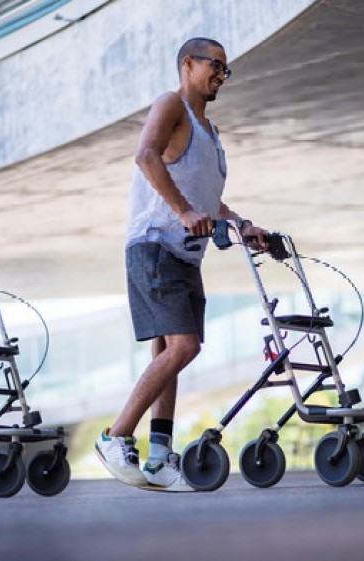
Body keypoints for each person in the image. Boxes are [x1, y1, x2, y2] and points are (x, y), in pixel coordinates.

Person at [95, 38, 267, 491]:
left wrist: (242, 223)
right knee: (183, 347)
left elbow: (208, 198)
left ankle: (157, 457)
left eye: (226, 71)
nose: (220, 76)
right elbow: (146, 155)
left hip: (186, 255)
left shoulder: (209, 132)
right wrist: (183, 213)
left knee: (170, 353)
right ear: (188, 64)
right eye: (215, 66)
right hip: (155, 246)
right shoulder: (171, 104)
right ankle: (114, 437)